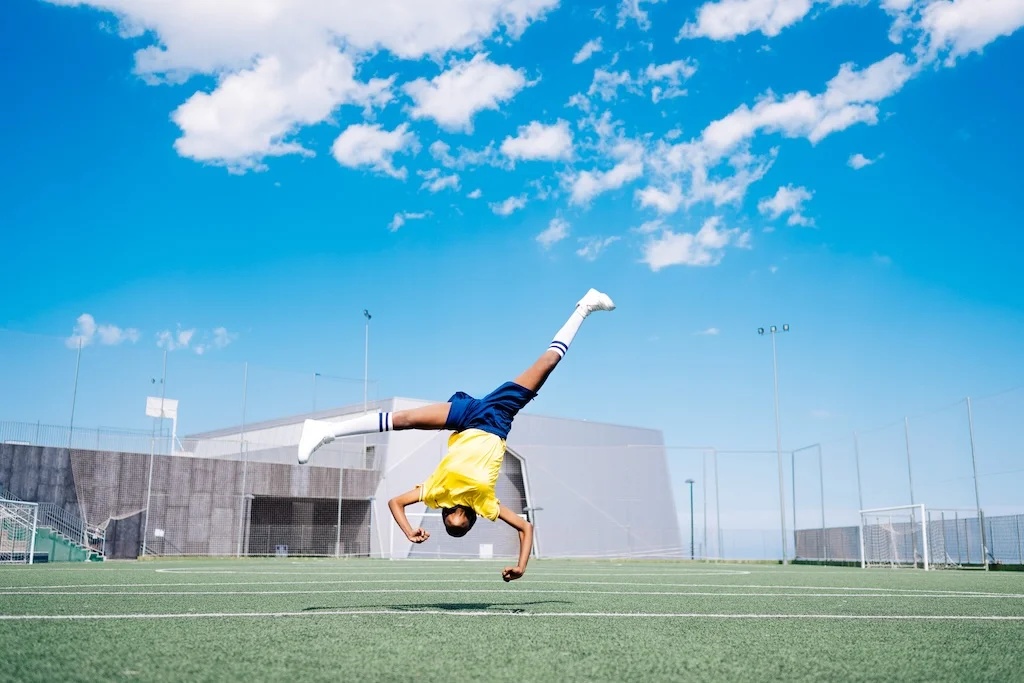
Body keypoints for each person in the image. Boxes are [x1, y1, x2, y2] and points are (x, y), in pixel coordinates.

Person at [297, 288, 615, 581]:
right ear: (472, 517)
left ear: (446, 512)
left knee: (405, 419)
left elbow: (395, 503)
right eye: (464, 518)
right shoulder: (484, 502)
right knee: (548, 362)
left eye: (453, 517)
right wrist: (520, 566)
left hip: (465, 419)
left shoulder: (438, 492)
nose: (459, 514)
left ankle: (327, 431)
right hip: (497, 417)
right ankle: (584, 307)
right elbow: (525, 527)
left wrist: (408, 530)